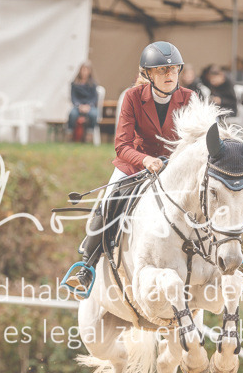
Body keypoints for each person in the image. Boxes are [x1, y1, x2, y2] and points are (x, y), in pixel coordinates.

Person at [62, 41, 194, 296]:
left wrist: (176, 160)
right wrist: (145, 160)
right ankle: (86, 265)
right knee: (109, 200)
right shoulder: (132, 97)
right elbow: (122, 146)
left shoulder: (189, 97)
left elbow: (195, 140)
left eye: (174, 69)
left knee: (207, 194)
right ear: (148, 74)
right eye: (162, 70)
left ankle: (232, 262)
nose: (169, 75)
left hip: (175, 164)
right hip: (136, 162)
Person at [67, 62, 99, 142]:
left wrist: (88, 106)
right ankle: (70, 133)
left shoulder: (93, 84)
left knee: (94, 114)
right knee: (72, 114)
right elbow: (73, 98)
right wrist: (79, 106)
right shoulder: (74, 84)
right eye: (83, 70)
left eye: (86, 70)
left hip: (89, 106)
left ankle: (89, 133)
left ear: (90, 72)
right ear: (80, 71)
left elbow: (94, 98)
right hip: (78, 106)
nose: (84, 72)